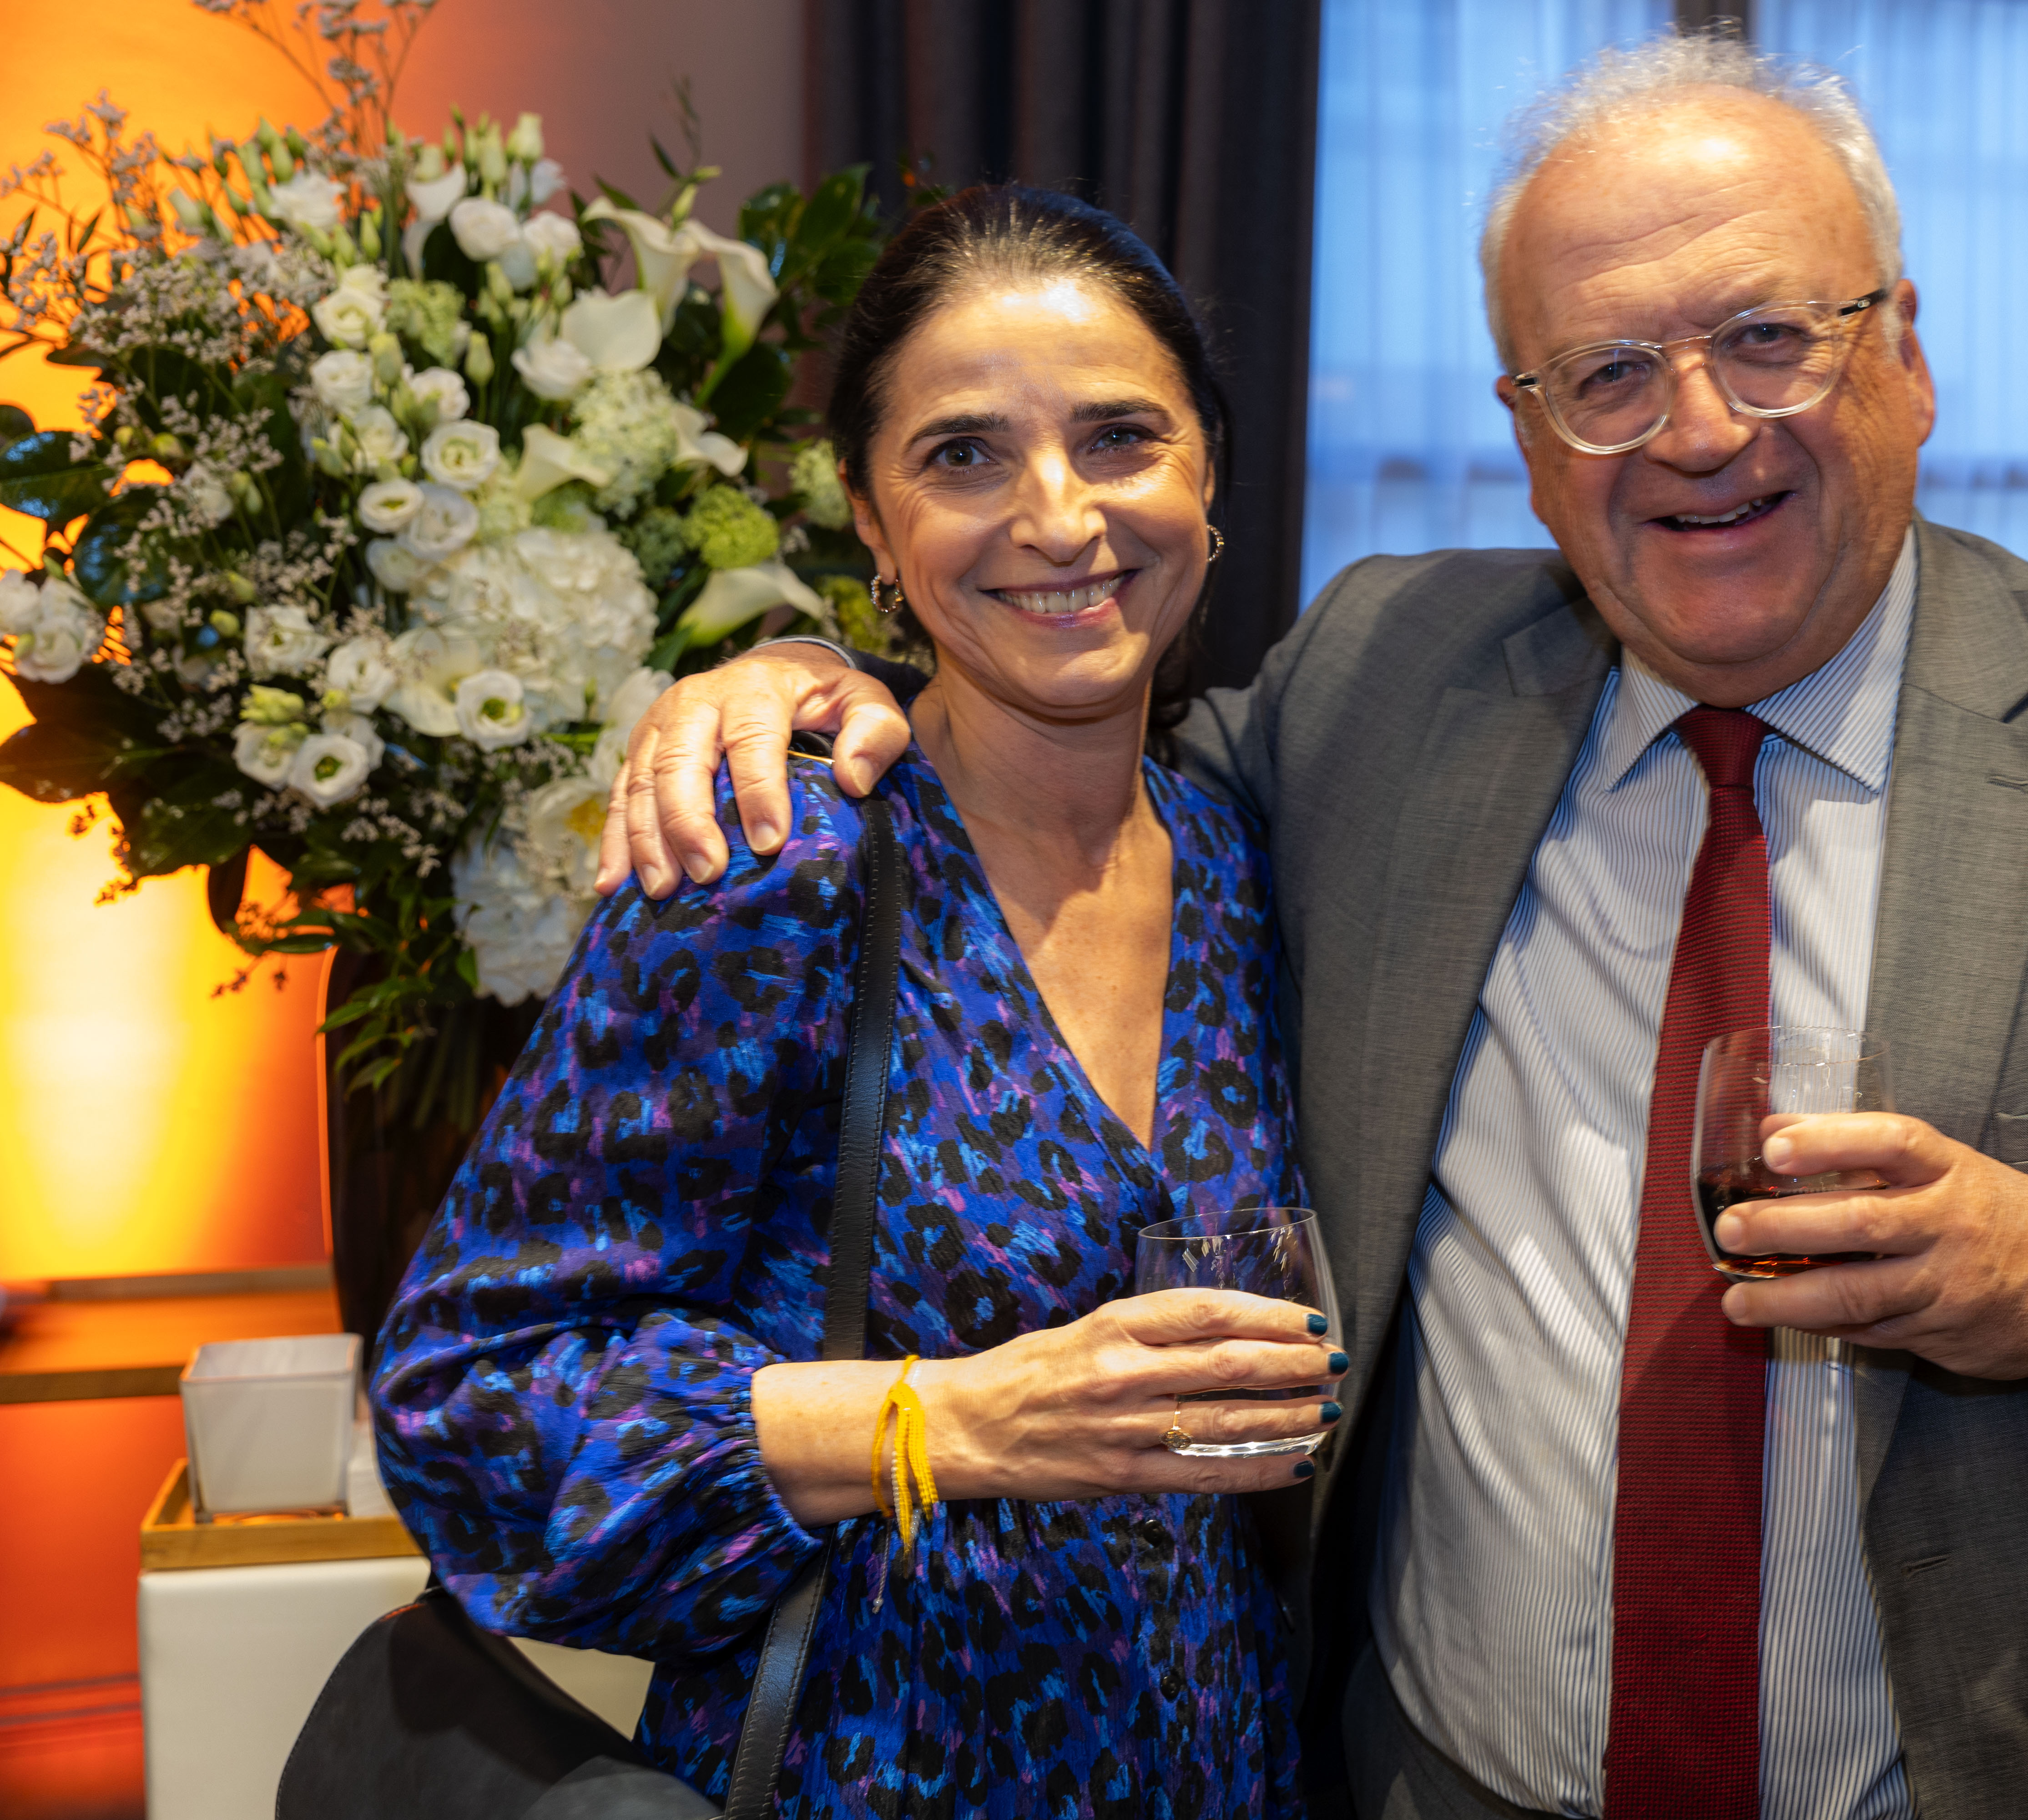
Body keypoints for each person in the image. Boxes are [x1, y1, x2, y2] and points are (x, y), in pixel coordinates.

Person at [600, 37, 2028, 1820]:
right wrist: (792, 675)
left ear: (1908, 353)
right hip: (1439, 1779)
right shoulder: (1387, 677)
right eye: (1608, 374)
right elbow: (1050, 734)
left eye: (1771, 337)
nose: (1697, 431)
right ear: (1532, 438)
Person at [372, 186, 1340, 1818]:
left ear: (1208, 473)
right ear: (873, 524)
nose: (1057, 517)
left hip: (1225, 1770)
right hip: (869, 1769)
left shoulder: (1250, 858)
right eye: (964, 455)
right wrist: (949, 1423)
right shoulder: (774, 860)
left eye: (1120, 438)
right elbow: (466, 1402)